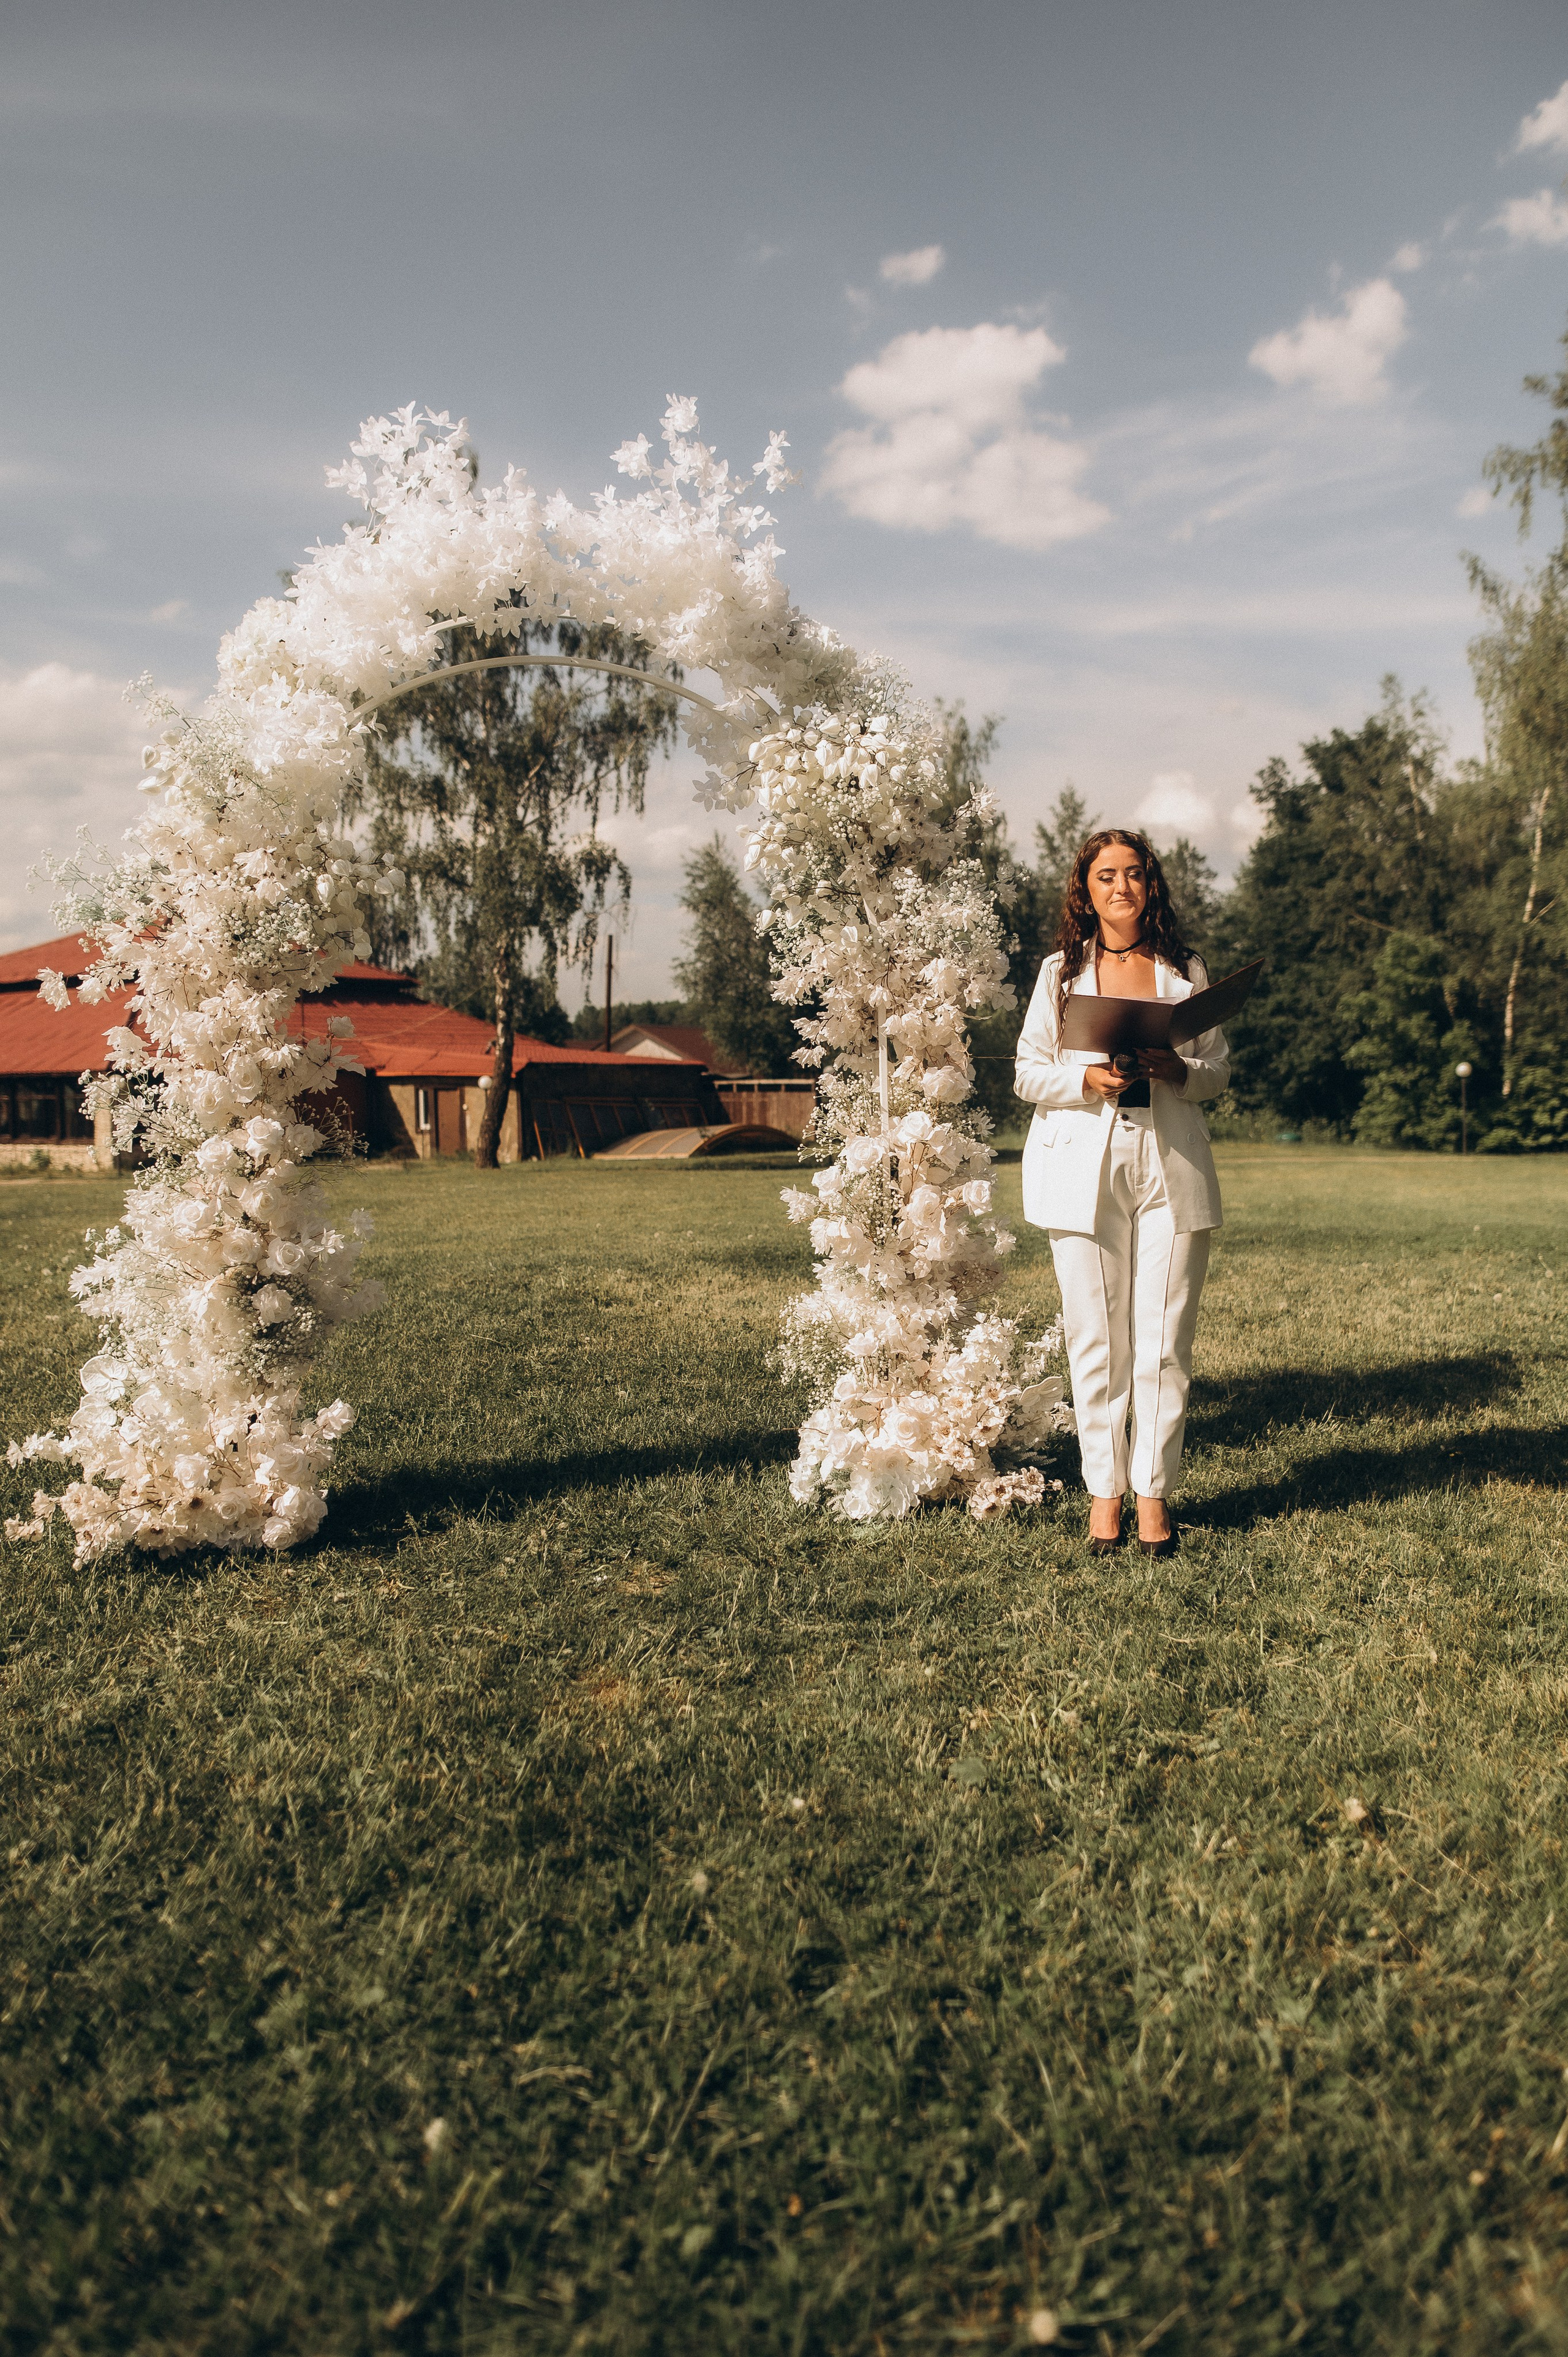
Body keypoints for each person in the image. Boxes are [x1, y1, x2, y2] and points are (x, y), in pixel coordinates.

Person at [1013, 829, 1229, 1556]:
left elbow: (1217, 1073)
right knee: (1097, 1339)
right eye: (1105, 875)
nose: (1121, 887)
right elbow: (1025, 1072)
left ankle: (1152, 1499)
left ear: (1150, 886)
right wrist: (1084, 1079)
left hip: (1170, 1163)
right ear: (1085, 888)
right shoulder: (1059, 973)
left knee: (1164, 1342)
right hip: (1082, 1164)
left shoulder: (1185, 968)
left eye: (1134, 874)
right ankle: (1102, 1497)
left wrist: (1178, 1069)